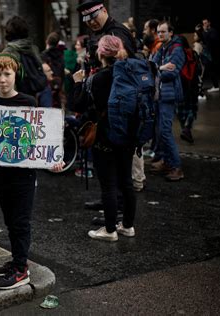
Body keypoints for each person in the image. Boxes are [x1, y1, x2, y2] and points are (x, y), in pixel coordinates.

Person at [0, 53, 62, 289]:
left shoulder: (28, 102)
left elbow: (38, 139)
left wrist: (52, 159)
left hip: (24, 176)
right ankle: (17, 260)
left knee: (21, 222)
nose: (2, 79)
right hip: (1, 175)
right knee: (11, 220)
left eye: (7, 74)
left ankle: (21, 269)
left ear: (15, 75)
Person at [71, 35, 136, 241]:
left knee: (108, 184)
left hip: (105, 137)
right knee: (126, 182)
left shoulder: (97, 78)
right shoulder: (130, 71)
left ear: (101, 53)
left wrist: (78, 83)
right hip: (128, 135)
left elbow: (78, 105)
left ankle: (109, 230)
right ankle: (127, 226)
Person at [151, 21, 185, 181]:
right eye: (158, 32)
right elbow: (151, 66)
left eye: (163, 32)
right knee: (159, 130)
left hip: (168, 96)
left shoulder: (177, 49)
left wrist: (157, 69)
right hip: (159, 94)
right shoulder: (163, 48)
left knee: (165, 130)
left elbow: (171, 72)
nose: (160, 34)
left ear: (171, 33)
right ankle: (165, 160)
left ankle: (176, 167)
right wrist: (160, 68)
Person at [202, 18, 220, 93]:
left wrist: (205, 31)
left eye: (206, 23)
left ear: (209, 23)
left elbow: (211, 41)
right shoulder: (205, 31)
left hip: (212, 54)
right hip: (207, 54)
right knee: (206, 70)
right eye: (203, 23)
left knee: (211, 70)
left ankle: (216, 86)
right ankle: (201, 86)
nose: (204, 25)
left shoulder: (212, 31)